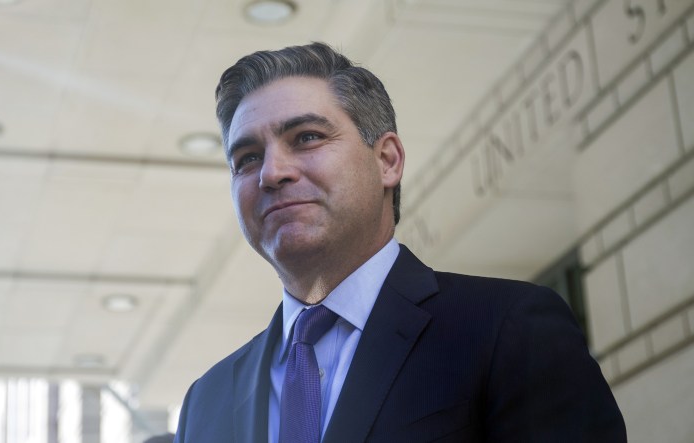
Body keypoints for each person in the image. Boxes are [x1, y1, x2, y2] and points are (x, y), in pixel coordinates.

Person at [173, 42, 626, 443]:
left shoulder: (507, 329)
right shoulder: (205, 403)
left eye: (307, 137)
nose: (272, 172)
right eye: (247, 158)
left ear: (387, 160)